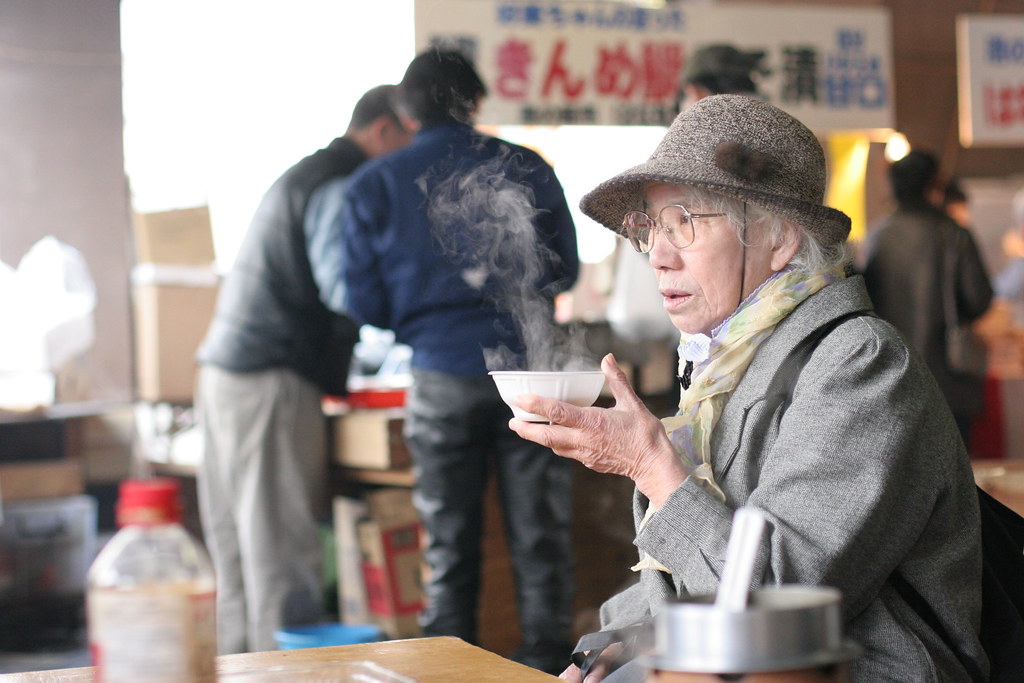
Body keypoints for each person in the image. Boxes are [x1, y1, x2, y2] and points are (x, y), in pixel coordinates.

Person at [509, 95, 988, 681]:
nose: (657, 256)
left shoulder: (860, 363)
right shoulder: (729, 362)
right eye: (651, 226)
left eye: (684, 221)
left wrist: (650, 463)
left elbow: (767, 602)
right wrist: (619, 639)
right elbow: (705, 572)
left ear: (779, 238)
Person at [338, 49, 580, 675]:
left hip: (439, 375)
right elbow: (565, 271)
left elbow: (361, 298)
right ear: (474, 101)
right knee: (540, 539)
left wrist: (425, 321)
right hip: (530, 378)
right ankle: (550, 669)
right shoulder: (527, 167)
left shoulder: (375, 184)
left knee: (447, 544)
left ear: (408, 110)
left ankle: (446, 672)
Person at [193, 85, 412, 654]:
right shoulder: (339, 185)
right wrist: (417, 310)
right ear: (385, 132)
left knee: (241, 558)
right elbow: (343, 287)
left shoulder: (309, 173)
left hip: (225, 373)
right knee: (280, 555)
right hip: (270, 378)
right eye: (409, 146)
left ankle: (239, 669)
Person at [863, 150, 993, 450]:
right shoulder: (953, 234)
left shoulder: (877, 236)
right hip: (948, 376)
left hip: (889, 374)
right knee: (954, 470)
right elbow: (980, 299)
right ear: (934, 184)